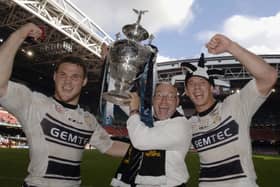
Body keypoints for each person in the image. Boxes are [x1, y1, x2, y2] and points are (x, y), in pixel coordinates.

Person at [0, 23, 129, 187]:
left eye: (75, 77)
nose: (68, 81)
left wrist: (151, 149)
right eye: (63, 75)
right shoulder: (35, 104)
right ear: (55, 77)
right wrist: (19, 34)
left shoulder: (88, 120)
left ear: (84, 82)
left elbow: (110, 146)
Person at [184, 34, 277, 187]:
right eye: (191, 84)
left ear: (212, 87)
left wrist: (231, 47)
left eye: (202, 82)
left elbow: (269, 76)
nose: (197, 87)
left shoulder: (235, 104)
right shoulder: (188, 125)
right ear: (186, 91)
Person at [112, 82, 192, 187]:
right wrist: (125, 83)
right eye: (159, 95)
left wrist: (134, 110)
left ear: (177, 102)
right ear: (153, 100)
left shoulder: (181, 125)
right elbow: (122, 100)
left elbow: (140, 141)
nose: (164, 101)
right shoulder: (149, 118)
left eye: (170, 96)